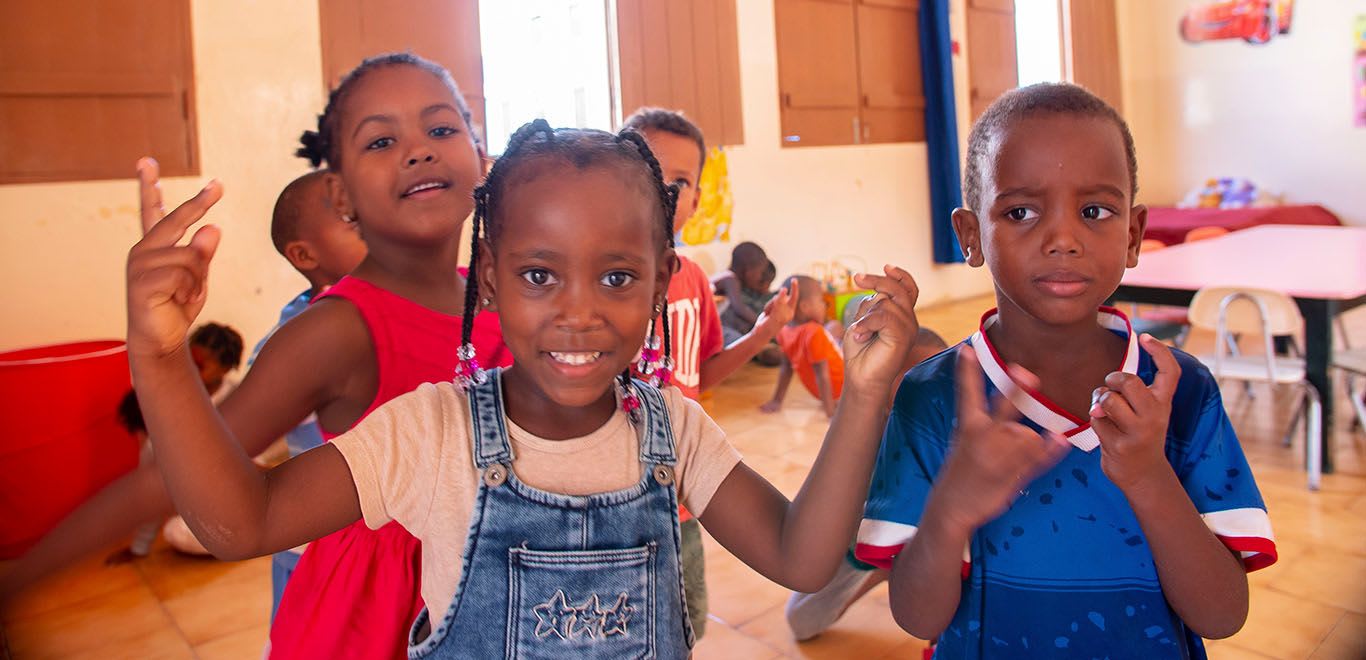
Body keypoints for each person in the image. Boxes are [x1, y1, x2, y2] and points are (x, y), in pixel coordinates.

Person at [123, 120, 921, 658]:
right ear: (494, 282)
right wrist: (160, 360)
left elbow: (801, 557)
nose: (580, 312)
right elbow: (242, 521)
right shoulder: (428, 433)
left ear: (659, 288)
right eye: (541, 275)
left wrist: (865, 395)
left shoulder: (671, 431)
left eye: (617, 276)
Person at [0, 53, 510, 660]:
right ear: (342, 195)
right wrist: (159, 357)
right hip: (376, 625)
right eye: (380, 140)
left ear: (481, 157)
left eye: (442, 129)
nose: (418, 149)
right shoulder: (338, 330)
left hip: (491, 595)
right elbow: (170, 486)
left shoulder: (503, 297)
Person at [856, 83, 1276, 659]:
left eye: (1095, 211)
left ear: (1132, 234)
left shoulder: (1179, 390)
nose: (1062, 239)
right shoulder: (930, 399)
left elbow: (1223, 614)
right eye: (1021, 211)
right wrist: (950, 513)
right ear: (971, 235)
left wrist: (1150, 477)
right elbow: (916, 616)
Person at [623, 107, 798, 637]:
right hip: (613, 490)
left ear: (697, 198)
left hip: (680, 487)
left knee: (687, 618)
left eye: (682, 181)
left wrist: (763, 335)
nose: (667, 190)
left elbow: (700, 374)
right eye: (649, 169)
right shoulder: (596, 277)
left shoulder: (694, 280)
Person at [783, 329, 949, 640]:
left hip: (936, 552)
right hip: (864, 551)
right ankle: (883, 570)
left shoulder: (955, 430)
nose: (919, 393)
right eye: (906, 380)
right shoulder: (861, 435)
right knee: (801, 620)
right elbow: (825, 522)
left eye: (930, 378)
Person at [255, 168, 368, 621]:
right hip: (319, 553)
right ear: (305, 255)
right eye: (353, 220)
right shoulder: (297, 342)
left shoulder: (404, 309)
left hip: (392, 549)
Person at [105, 322, 244, 564]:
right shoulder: (176, 397)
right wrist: (139, 547)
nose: (189, 370)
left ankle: (243, 539)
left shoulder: (241, 397)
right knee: (178, 532)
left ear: (224, 368)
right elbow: (154, 482)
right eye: (187, 360)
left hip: (237, 494)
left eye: (200, 366)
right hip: (201, 497)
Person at [761, 275, 845, 418]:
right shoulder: (814, 332)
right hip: (844, 390)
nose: (824, 305)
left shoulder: (783, 331)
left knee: (833, 329)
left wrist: (777, 401)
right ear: (805, 307)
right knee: (836, 327)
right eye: (821, 301)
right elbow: (822, 374)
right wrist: (831, 413)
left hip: (823, 394)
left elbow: (786, 368)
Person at [713, 242, 781, 365]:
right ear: (748, 270)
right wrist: (765, 324)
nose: (760, 277)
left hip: (718, 326)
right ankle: (760, 351)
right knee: (736, 340)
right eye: (760, 272)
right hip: (707, 329)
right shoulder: (730, 279)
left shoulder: (732, 280)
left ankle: (760, 348)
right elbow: (740, 309)